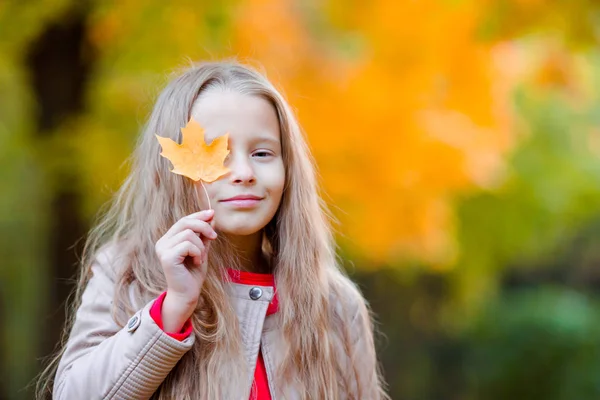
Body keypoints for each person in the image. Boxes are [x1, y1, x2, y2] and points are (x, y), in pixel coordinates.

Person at [38, 60, 389, 399]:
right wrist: (172, 309)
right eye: (217, 154)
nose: (243, 172)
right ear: (171, 170)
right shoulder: (126, 277)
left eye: (263, 153)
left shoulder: (336, 306)